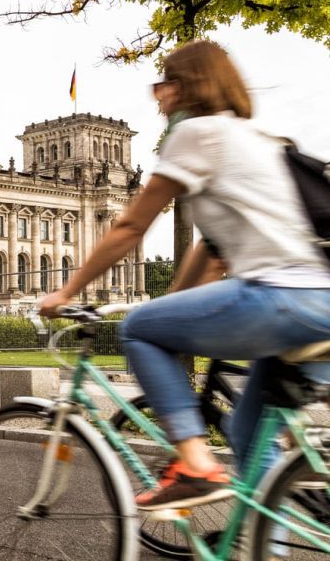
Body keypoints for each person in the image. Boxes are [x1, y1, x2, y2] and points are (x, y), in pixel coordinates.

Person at [40, 40, 330, 512]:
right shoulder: (261, 141)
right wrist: (173, 304)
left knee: (138, 329)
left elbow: (131, 226)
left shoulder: (196, 134)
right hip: (322, 302)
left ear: (186, 86)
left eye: (164, 83)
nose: (158, 96)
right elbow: (213, 249)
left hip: (277, 298)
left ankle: (195, 463)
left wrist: (68, 291)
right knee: (249, 439)